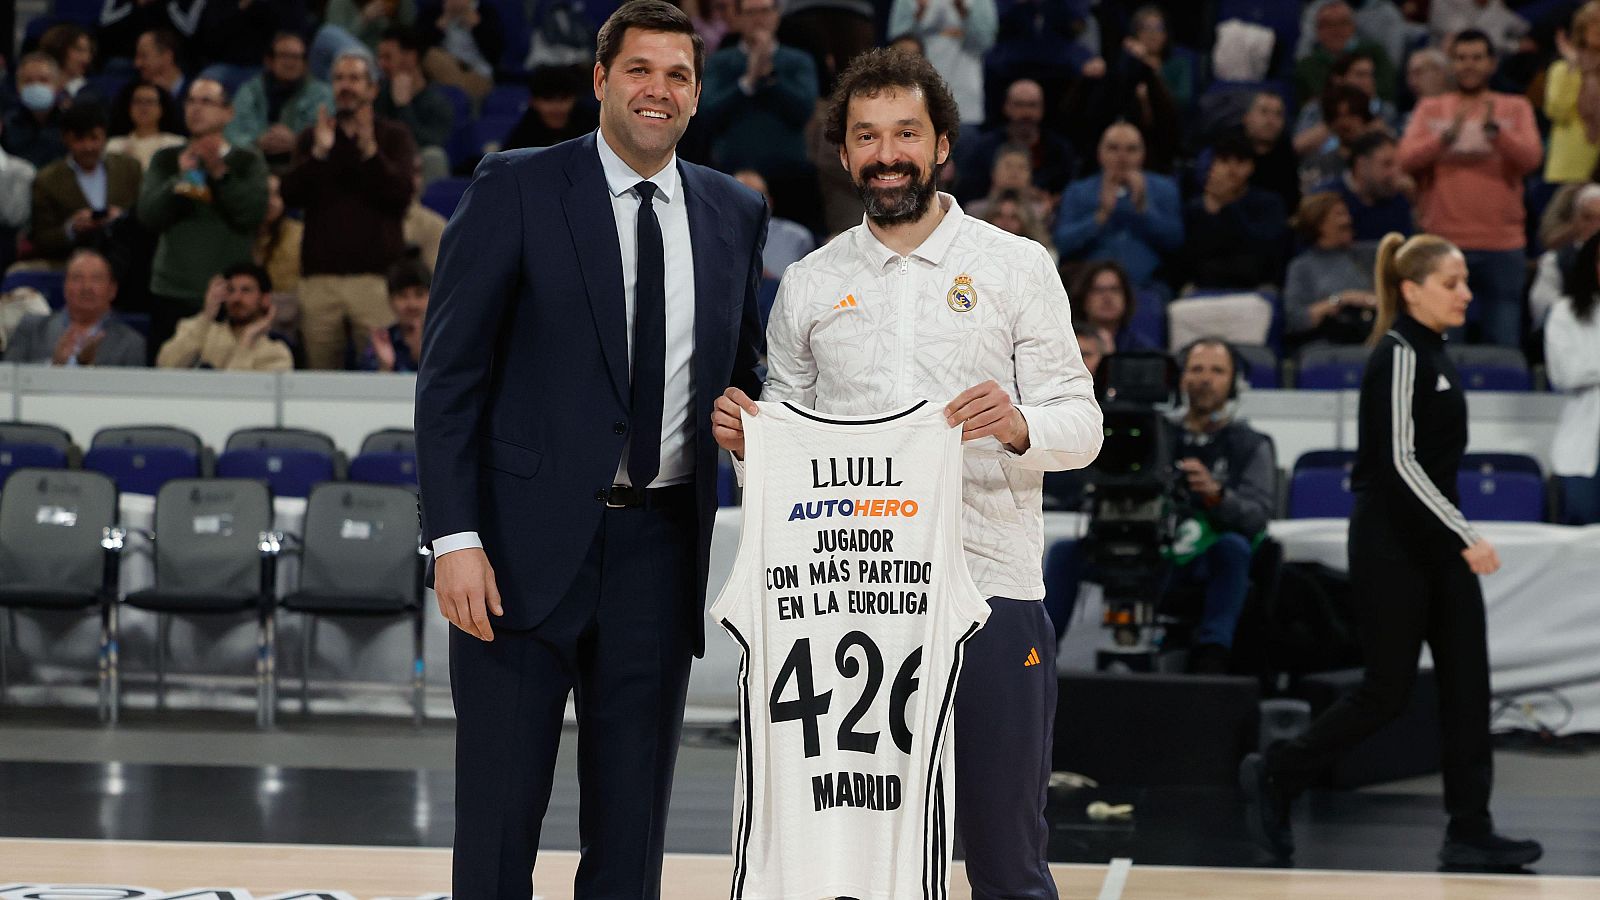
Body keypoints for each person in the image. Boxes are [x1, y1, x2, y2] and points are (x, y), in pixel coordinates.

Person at [713, 47, 1102, 900]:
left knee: (1005, 856)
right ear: (845, 155)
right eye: (866, 137)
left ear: (940, 149)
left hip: (992, 585)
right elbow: (788, 456)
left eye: (906, 134)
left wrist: (1019, 423)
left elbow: (1085, 426)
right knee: (851, 859)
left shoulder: (1016, 267)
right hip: (852, 606)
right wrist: (750, 445)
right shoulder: (809, 285)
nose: (887, 153)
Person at [413, 3, 768, 897]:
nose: (659, 90)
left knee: (631, 841)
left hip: (659, 555)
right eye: (641, 70)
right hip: (514, 556)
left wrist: (751, 414)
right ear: (601, 79)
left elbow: (744, 366)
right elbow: (449, 378)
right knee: (497, 828)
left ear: (696, 95)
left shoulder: (734, 210)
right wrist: (453, 539)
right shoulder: (516, 185)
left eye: (679, 75)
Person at [1241, 231, 1544, 869]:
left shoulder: (1436, 352)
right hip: (1393, 546)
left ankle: (1469, 829)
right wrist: (1466, 534)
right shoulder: (1399, 354)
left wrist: (1454, 539)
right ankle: (1277, 770)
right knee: (1387, 691)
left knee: (1468, 687)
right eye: (1451, 283)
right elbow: (1400, 466)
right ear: (1411, 290)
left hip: (1438, 548)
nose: (1466, 293)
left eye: (1465, 281)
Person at [1397, 29, 1540, 347]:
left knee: (1503, 342)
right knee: (1442, 345)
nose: (1469, 65)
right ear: (1451, 64)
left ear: (1491, 63)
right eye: (1461, 58)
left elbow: (1532, 159)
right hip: (1443, 242)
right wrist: (1445, 137)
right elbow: (1404, 159)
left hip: (1503, 243)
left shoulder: (1515, 107)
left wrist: (1497, 134)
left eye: (1477, 58)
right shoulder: (1430, 109)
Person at [280, 49, 417, 370]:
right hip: (319, 284)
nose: (346, 86)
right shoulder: (312, 138)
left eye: (355, 78)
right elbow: (289, 195)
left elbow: (401, 195)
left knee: (381, 374)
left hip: (374, 283)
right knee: (319, 379)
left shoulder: (394, 137)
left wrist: (370, 152)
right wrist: (319, 154)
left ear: (373, 88)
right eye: (339, 78)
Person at [139, 77, 271, 363]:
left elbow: (251, 214)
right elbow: (149, 215)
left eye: (206, 102)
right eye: (191, 101)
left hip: (228, 296)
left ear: (228, 112)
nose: (196, 109)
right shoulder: (166, 159)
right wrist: (182, 181)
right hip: (172, 291)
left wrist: (219, 173)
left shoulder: (247, 161)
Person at [1164, 339, 1276, 673]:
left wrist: (1216, 495)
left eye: (1217, 370)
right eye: (1196, 369)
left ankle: (1212, 655)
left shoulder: (1250, 443)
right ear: (1181, 379)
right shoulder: (1160, 433)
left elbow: (1257, 516)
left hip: (1207, 556)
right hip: (1155, 545)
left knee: (1232, 547)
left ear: (1234, 382)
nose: (1205, 378)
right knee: (1069, 551)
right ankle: (1038, 657)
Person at [698, 0, 820, 223]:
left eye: (765, 10)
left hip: (790, 178)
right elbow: (707, 112)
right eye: (751, 12)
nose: (759, 18)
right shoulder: (719, 62)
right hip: (730, 174)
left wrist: (769, 76)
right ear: (737, 17)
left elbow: (803, 110)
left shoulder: (798, 61)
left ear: (776, 15)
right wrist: (747, 82)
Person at [1054, 121, 1183, 293]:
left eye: (1131, 149)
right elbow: (1063, 243)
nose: (1122, 157)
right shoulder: (1078, 191)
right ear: (1100, 153)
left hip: (1147, 287)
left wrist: (1143, 210)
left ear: (1143, 154)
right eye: (1113, 148)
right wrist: (1100, 216)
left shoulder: (1164, 189)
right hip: (1089, 289)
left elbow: (1176, 241)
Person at [29, 102, 142, 266]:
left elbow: (146, 219)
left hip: (127, 261)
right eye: (79, 139)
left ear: (105, 136)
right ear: (65, 139)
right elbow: (42, 239)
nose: (88, 147)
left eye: (94, 138)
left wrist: (122, 218)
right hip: (69, 264)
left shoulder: (130, 168)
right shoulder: (46, 180)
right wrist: (72, 229)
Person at [5, 248, 146, 366]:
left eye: (96, 279)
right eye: (77, 278)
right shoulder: (31, 328)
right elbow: (7, 380)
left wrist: (87, 368)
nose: (87, 287)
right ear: (65, 286)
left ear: (112, 290)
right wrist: (53, 365)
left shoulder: (131, 344)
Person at [1183, 135, 1287, 291]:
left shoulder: (1270, 203)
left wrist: (1227, 206)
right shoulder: (1195, 208)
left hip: (1256, 285)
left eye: (1240, 162)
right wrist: (1211, 211)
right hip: (1205, 286)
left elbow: (1266, 250)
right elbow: (1191, 257)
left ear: (1251, 166)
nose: (1232, 169)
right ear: (1213, 166)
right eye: (1224, 161)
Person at [1548, 231, 1600, 525]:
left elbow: (1584, 368)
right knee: (1583, 532)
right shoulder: (1565, 312)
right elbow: (1565, 373)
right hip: (1586, 440)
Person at [954, 78, 1076, 202]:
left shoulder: (1059, 150)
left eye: (1032, 105)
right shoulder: (984, 148)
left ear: (1042, 109)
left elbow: (1068, 191)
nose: (1026, 113)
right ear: (1006, 107)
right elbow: (968, 193)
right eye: (1019, 105)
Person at [227, 32, 335, 171]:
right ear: (269, 61)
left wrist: (297, 142)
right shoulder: (249, 91)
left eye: (297, 57)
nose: (290, 63)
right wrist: (258, 141)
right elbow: (232, 133)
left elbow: (327, 138)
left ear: (305, 63)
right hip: (254, 168)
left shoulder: (322, 94)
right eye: (284, 56)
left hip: (304, 168)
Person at [1285, 191, 1378, 349]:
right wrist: (1342, 299)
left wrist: (1372, 301)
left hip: (1371, 338)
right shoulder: (1302, 267)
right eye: (1339, 214)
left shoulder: (1369, 254)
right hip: (1326, 346)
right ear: (1319, 224)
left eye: (1346, 213)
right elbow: (1296, 320)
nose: (1348, 219)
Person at [156, 265, 294, 371]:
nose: (236, 298)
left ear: (265, 299)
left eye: (246, 290)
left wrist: (247, 341)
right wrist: (206, 316)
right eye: (231, 290)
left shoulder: (276, 352)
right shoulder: (201, 330)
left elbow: (238, 396)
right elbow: (165, 366)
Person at [886, 0, 998, 127]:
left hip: (965, 87)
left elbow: (985, 43)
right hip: (917, 86)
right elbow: (900, 45)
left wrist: (962, 10)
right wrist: (918, 19)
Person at [375, 26, 455, 185]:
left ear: (411, 57)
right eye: (380, 58)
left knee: (433, 156)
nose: (381, 65)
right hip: (383, 173)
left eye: (387, 57)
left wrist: (403, 107)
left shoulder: (438, 103)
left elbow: (429, 145)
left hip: (418, 176)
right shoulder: (379, 95)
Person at [1315, 130, 1413, 242]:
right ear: (1361, 165)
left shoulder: (1399, 198)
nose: (1395, 173)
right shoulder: (1326, 199)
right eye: (1387, 164)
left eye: (1398, 165)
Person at [1543, 2, 1600, 186]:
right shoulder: (1562, 69)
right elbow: (1558, 112)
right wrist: (1574, 68)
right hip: (1570, 168)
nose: (1599, 28)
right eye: (1593, 22)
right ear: (1581, 28)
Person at [1297, 1, 1395, 106]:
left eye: (1343, 23)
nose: (1336, 30)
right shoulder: (1309, 65)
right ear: (1318, 31)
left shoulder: (1374, 53)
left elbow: (1387, 91)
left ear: (1353, 27)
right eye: (1329, 24)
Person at [1531, 183, 1600, 325]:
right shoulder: (1555, 261)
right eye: (1588, 218)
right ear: (1575, 220)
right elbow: (1543, 306)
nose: (1595, 226)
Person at [415, 0, 505, 104]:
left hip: (476, 73)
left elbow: (496, 53)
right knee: (432, 56)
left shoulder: (486, 11)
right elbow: (417, 47)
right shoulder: (433, 11)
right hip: (439, 71)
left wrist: (476, 26)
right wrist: (444, 20)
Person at [733, 168, 815, 277]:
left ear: (770, 203)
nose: (748, 205)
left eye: (756, 197)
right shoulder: (711, 237)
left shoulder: (798, 238)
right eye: (740, 198)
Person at [502, 65, 599, 151]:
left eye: (563, 99)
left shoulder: (593, 127)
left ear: (574, 99)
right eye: (548, 99)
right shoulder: (523, 135)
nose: (556, 108)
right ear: (533, 102)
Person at [1071, 258, 1156, 352]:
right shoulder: (1069, 344)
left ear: (1126, 298)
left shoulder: (1141, 350)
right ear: (1083, 298)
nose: (1107, 297)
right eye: (1098, 290)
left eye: (1115, 290)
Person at [361, 258, 430, 372]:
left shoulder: (443, 339)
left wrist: (424, 359)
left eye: (419, 294)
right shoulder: (382, 340)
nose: (412, 304)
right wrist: (385, 366)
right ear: (391, 300)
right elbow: (364, 386)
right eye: (403, 296)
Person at [3, 53, 68, 169]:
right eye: (28, 81)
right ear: (18, 86)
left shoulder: (70, 123)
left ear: (58, 84)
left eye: (43, 80)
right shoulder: (6, 126)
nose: (36, 86)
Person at [106, 83, 186, 170]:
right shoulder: (113, 147)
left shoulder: (176, 144)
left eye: (150, 102)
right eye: (137, 101)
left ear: (162, 108)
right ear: (128, 108)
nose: (143, 107)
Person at [38, 24, 96, 101]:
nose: (86, 59)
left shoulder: (91, 95)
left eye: (89, 52)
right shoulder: (36, 86)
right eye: (78, 50)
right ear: (59, 49)